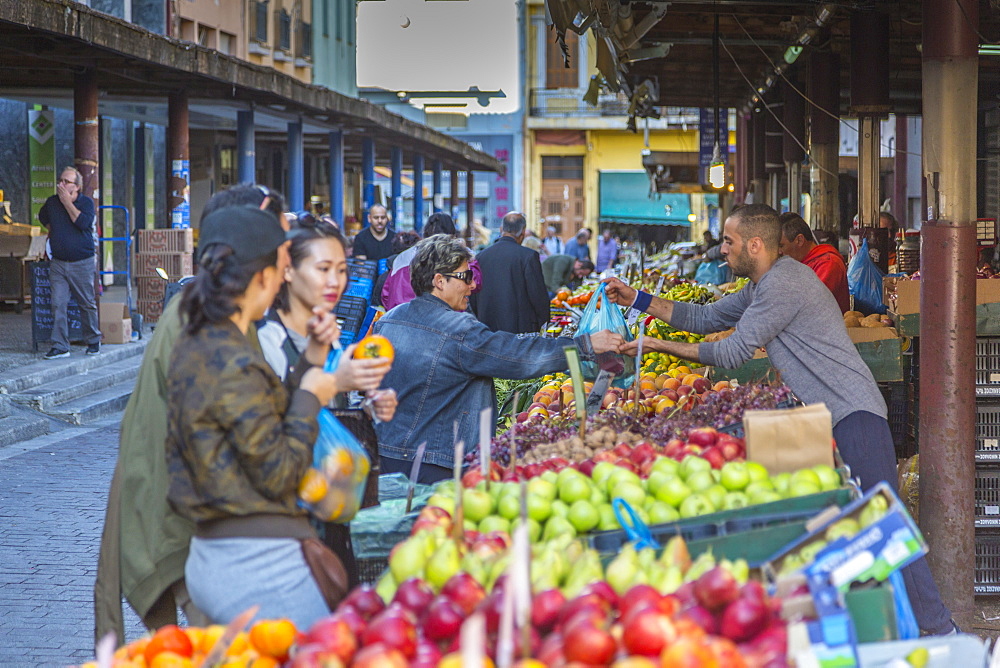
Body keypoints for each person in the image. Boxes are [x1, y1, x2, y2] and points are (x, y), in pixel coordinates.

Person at [602, 203, 956, 636]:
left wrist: (655, 346)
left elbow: (732, 352)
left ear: (755, 244)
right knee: (847, 530)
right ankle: (875, 631)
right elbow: (707, 318)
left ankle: (942, 631)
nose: (723, 251)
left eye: (729, 242)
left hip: (853, 415)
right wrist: (636, 299)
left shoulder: (783, 285)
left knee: (885, 526)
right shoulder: (765, 283)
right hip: (831, 419)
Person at [94, 185, 290, 645]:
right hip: (182, 525)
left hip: (177, 517)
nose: (286, 262)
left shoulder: (207, 308)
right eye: (278, 246)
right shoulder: (204, 321)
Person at [164, 204, 344, 629]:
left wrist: (310, 362)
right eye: (283, 266)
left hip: (219, 552)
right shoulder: (234, 357)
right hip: (254, 562)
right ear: (263, 276)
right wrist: (310, 398)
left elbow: (254, 421)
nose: (285, 277)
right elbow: (278, 472)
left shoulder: (202, 339)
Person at [372, 235, 623, 483]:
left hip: (386, 455)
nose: (473, 285)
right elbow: (518, 355)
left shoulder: (387, 321)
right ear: (439, 281)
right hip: (436, 465)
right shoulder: (458, 330)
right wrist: (585, 345)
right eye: (466, 276)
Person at [256, 216, 396, 587]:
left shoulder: (328, 333)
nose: (335, 281)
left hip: (330, 500)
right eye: (322, 269)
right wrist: (335, 380)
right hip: (285, 520)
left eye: (341, 269)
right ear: (287, 271)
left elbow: (326, 406)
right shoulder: (265, 338)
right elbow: (276, 415)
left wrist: (368, 406)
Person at [39, 166, 101, 359]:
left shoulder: (86, 203)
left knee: (86, 302)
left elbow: (83, 223)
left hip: (82, 261)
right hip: (58, 262)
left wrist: (67, 203)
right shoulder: (52, 202)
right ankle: (60, 345)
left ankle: (93, 340)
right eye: (61, 180)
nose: (62, 184)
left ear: (77, 186)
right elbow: (43, 218)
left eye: (67, 181)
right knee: (58, 303)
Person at [381, 212, 482, 311]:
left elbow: (385, 294)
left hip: (398, 318)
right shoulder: (457, 256)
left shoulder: (403, 257)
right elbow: (475, 283)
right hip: (438, 319)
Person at [470, 212, 549, 334]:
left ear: (501, 229)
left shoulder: (480, 257)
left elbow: (473, 297)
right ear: (523, 232)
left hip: (487, 330)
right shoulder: (528, 256)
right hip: (520, 332)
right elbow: (538, 297)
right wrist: (543, 324)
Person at [778, 212, 849, 313]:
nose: (778, 252)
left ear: (799, 240)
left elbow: (810, 304)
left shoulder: (828, 264)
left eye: (781, 246)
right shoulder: (795, 264)